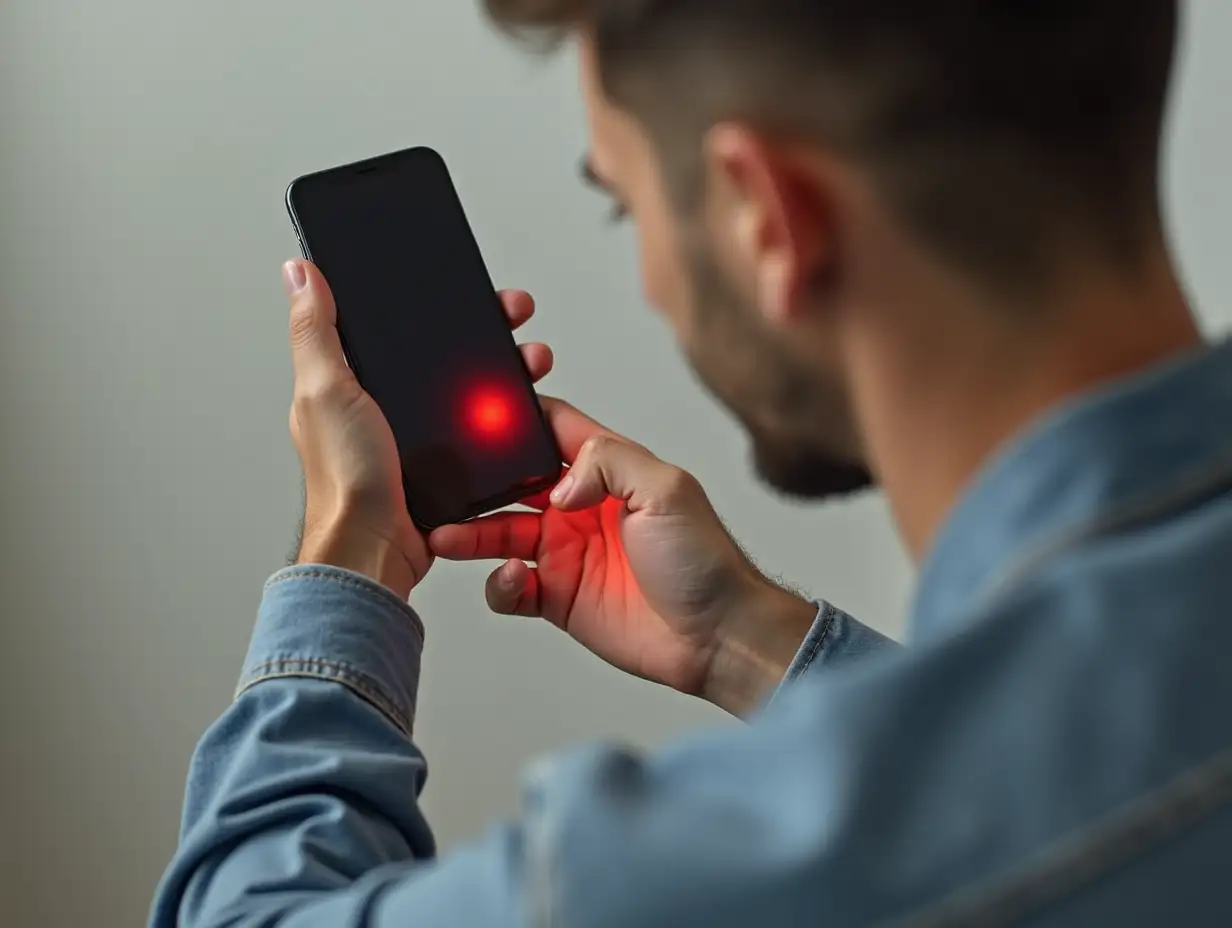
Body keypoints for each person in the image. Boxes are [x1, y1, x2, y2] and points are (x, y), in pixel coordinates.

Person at [151, 1, 1232, 924]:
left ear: (765, 219)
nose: (653, 285)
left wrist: (350, 546)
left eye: (623, 204)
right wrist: (747, 644)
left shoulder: (695, 877)